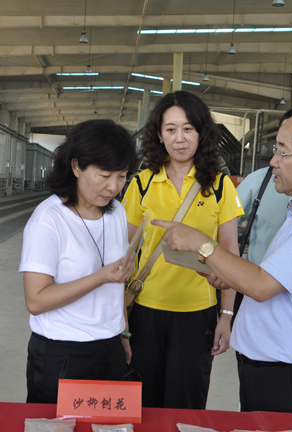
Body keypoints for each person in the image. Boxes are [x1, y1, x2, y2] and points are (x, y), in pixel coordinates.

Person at [153, 107, 292, 415]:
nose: (273, 161)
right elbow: (271, 276)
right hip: (277, 372)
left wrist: (201, 243)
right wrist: (227, 273)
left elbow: (262, 285)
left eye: (283, 152)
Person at [122, 91, 244, 409]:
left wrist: (226, 316)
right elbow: (122, 253)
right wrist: (118, 316)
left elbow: (231, 254)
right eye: (171, 129)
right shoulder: (141, 184)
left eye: (188, 128)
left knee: (187, 402)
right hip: (145, 310)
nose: (180, 138)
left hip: (197, 314)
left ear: (201, 133)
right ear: (159, 135)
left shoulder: (220, 186)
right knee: (143, 403)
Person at [20, 119, 138, 404]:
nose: (113, 187)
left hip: (109, 346)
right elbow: (36, 300)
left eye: (122, 176)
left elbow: (117, 284)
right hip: (62, 354)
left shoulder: (117, 213)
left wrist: (122, 331)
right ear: (76, 166)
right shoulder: (49, 220)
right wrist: (100, 277)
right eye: (104, 175)